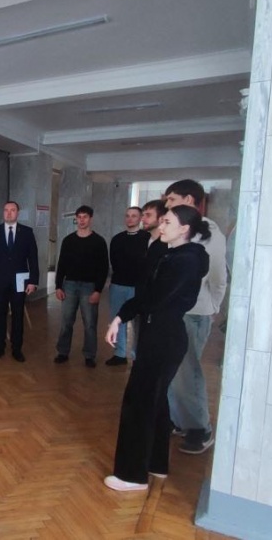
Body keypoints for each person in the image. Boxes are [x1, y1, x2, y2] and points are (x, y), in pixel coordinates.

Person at [103, 205, 210, 491]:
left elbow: (154, 297)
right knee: (156, 400)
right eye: (161, 221)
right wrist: (120, 317)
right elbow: (145, 290)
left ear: (184, 229)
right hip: (156, 334)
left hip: (164, 337)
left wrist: (123, 314)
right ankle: (156, 464)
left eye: (167, 222)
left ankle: (131, 476)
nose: (160, 227)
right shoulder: (169, 253)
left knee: (138, 402)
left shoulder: (187, 260)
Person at [163, 180, 227, 454]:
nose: (167, 204)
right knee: (174, 372)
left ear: (189, 200)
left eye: (171, 199)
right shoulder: (174, 228)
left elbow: (218, 276)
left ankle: (201, 430)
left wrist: (212, 306)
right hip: (174, 310)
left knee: (188, 373)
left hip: (195, 311)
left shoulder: (209, 232)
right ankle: (180, 421)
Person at [0, 201, 39, 362]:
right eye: (6, 210)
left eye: (12, 210)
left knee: (18, 314)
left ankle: (17, 348)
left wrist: (33, 281)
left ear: (17, 213)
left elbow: (33, 259)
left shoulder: (27, 232)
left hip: (20, 282)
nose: (9, 213)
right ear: (3, 212)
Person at [54, 205, 109, 367]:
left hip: (89, 287)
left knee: (90, 323)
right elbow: (61, 264)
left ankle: (89, 355)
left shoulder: (98, 241)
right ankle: (63, 351)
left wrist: (98, 290)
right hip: (69, 285)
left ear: (90, 219)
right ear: (76, 219)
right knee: (66, 321)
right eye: (79, 217)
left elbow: (103, 267)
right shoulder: (68, 240)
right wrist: (58, 286)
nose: (82, 220)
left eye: (85, 217)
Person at [105, 207, 149, 366]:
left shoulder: (147, 238)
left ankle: (138, 355)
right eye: (128, 216)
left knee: (139, 322)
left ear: (140, 218)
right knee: (117, 319)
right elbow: (114, 261)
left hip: (139, 286)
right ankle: (119, 353)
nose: (130, 219)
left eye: (134, 216)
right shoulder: (117, 239)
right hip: (119, 284)